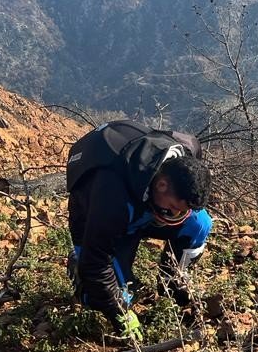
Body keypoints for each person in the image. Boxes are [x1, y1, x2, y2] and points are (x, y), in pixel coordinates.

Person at [65, 119, 212, 340]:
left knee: (199, 223)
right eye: (172, 208)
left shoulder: (187, 150)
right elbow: (97, 264)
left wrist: (171, 210)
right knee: (103, 292)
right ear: (162, 185)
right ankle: (77, 263)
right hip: (99, 218)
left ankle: (172, 283)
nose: (174, 215)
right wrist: (121, 315)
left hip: (143, 203)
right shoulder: (111, 197)